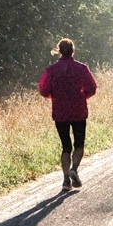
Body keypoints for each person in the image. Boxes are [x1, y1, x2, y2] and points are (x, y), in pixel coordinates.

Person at [39, 38, 97, 192]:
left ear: (59, 51)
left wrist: (55, 96)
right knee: (79, 144)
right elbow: (92, 87)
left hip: (60, 111)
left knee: (66, 146)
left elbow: (43, 89)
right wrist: (82, 96)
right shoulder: (81, 68)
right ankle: (74, 169)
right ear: (73, 50)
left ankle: (66, 180)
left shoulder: (52, 70)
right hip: (78, 110)